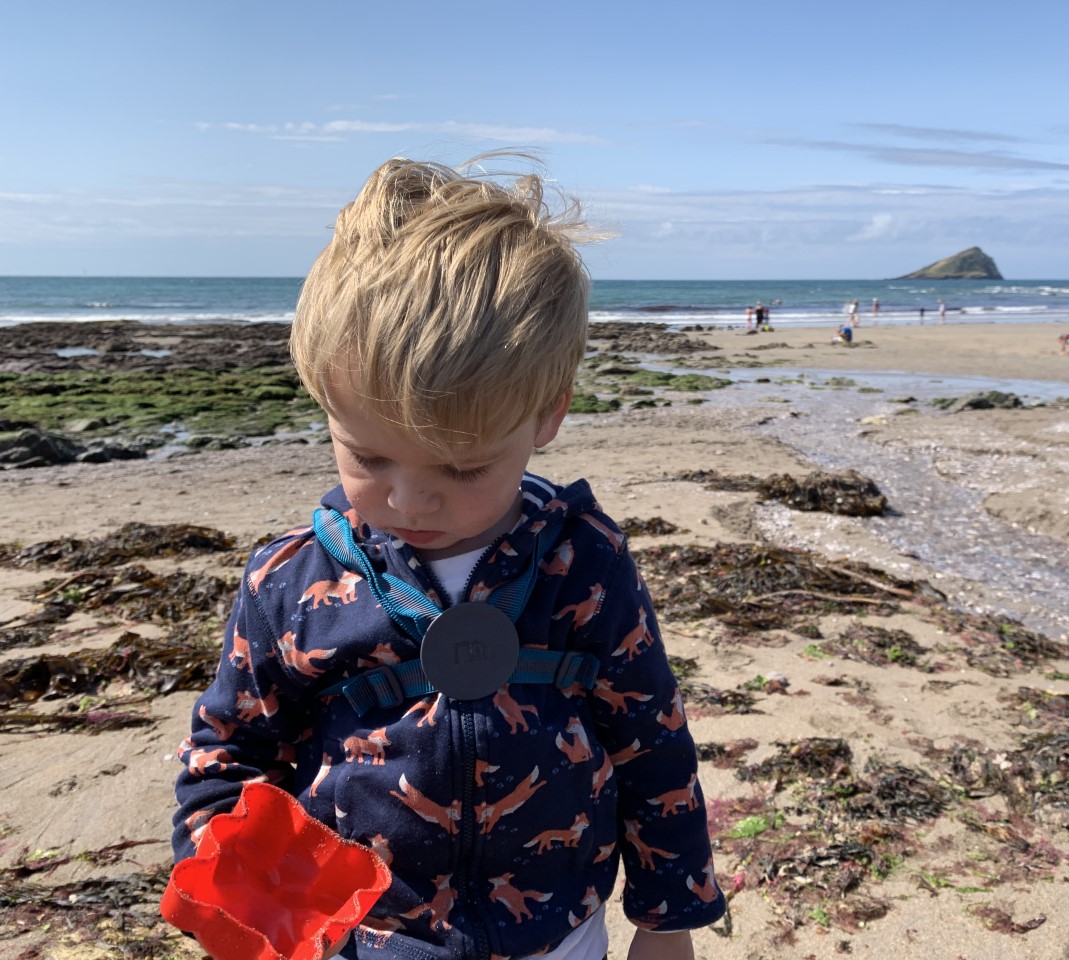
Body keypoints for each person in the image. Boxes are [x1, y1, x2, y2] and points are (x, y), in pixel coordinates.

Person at [171, 157, 725, 960]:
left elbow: (652, 741)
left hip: (559, 932)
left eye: (463, 468)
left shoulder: (585, 565)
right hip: (366, 938)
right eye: (369, 458)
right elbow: (226, 758)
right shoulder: (290, 585)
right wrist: (243, 904)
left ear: (547, 416)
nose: (410, 501)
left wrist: (668, 920)